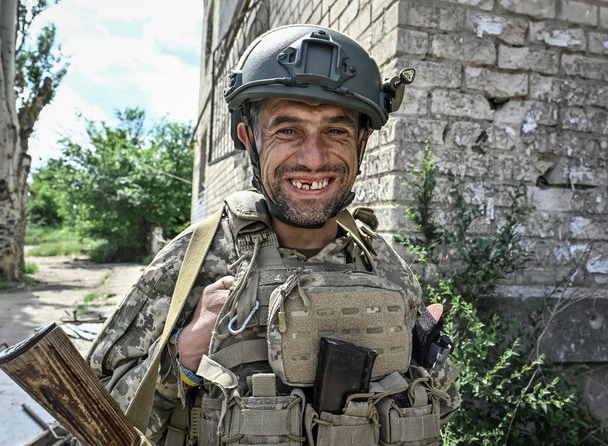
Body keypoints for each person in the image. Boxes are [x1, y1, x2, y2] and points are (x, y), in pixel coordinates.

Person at [87, 24, 460, 446]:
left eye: (336, 131)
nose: (313, 158)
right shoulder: (197, 259)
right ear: (250, 139)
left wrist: (426, 362)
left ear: (362, 141)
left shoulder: (383, 266)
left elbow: (439, 408)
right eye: (288, 131)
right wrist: (181, 360)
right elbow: (95, 418)